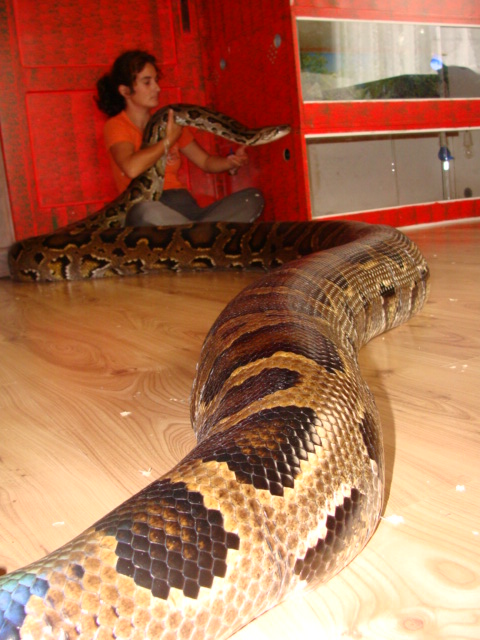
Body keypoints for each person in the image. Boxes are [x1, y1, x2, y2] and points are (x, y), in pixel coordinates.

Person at [95, 50, 264, 226]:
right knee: (146, 211)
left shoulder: (171, 122)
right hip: (153, 209)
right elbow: (131, 168)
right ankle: (199, 233)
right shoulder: (117, 125)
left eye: (156, 80)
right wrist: (167, 142)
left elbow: (205, 162)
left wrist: (230, 162)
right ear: (125, 91)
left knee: (252, 198)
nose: (157, 88)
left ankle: (192, 233)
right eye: (147, 82)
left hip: (186, 208)